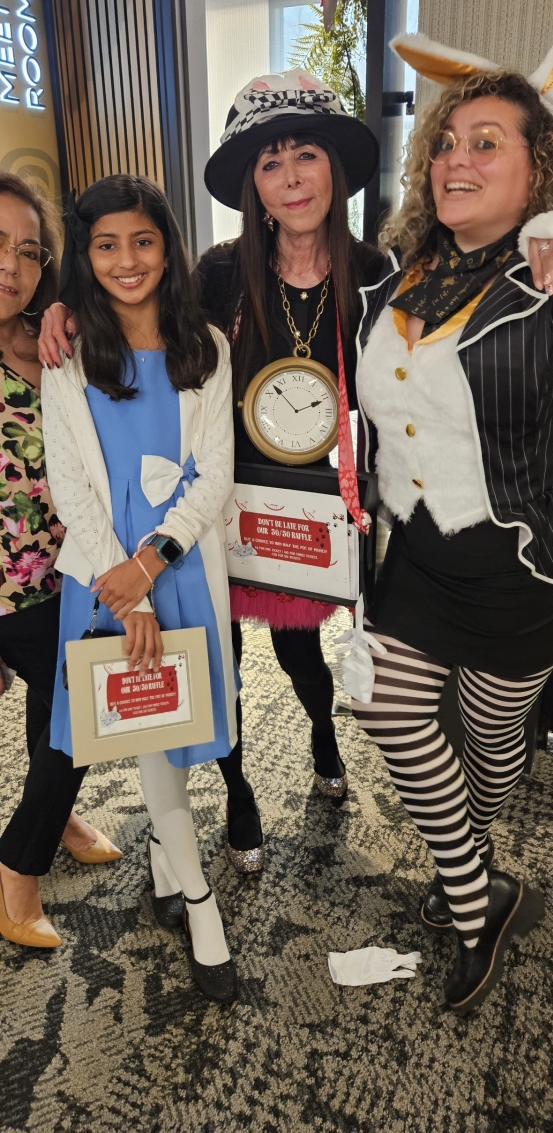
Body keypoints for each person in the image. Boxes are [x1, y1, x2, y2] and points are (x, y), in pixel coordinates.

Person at [39, 70, 383, 881]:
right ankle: (238, 792)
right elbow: (140, 308)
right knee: (213, 655)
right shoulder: (224, 272)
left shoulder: (375, 271)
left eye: (306, 154)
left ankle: (322, 733)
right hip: (216, 503)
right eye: (270, 162)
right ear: (252, 185)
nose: (291, 177)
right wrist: (60, 305)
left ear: (334, 167)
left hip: (313, 506)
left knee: (301, 655)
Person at [352, 55, 553, 1014]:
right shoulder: (398, 275)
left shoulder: (547, 280)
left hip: (522, 569)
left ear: (537, 171)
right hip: (418, 556)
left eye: (487, 143)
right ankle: (480, 900)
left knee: (488, 754)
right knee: (385, 705)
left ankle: (466, 856)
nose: (456, 160)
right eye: (445, 143)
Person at [41, 175, 239, 1004]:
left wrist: (153, 564)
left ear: (168, 246)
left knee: (180, 731)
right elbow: (72, 490)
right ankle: (199, 902)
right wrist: (129, 592)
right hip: (107, 574)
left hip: (179, 561)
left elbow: (215, 475)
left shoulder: (207, 347)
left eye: (144, 241)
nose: (127, 260)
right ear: (85, 257)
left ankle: (164, 860)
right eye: (106, 245)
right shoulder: (68, 357)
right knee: (156, 732)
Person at [0, 172, 120, 954]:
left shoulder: (44, 334)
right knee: (81, 716)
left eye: (28, 250)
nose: (11, 265)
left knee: (57, 709)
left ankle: (59, 815)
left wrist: (64, 309)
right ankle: (18, 871)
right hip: (9, 592)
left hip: (72, 571)